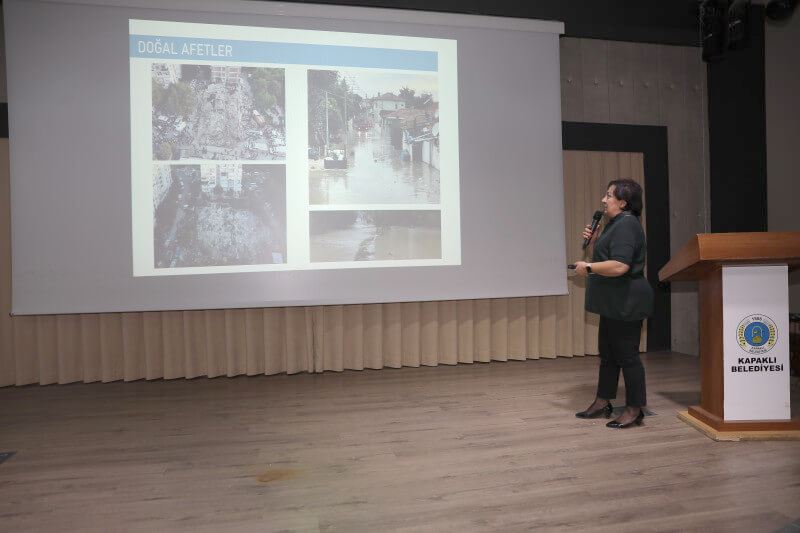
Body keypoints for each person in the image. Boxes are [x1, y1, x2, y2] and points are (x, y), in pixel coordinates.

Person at [572, 179, 654, 429]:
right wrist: (595, 241)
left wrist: (588, 267)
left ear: (623, 203)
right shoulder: (614, 224)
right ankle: (602, 401)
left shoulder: (626, 225)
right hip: (613, 301)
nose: (603, 200)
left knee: (628, 357)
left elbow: (620, 266)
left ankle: (634, 409)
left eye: (609, 196)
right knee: (608, 355)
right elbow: (607, 259)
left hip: (626, 302)